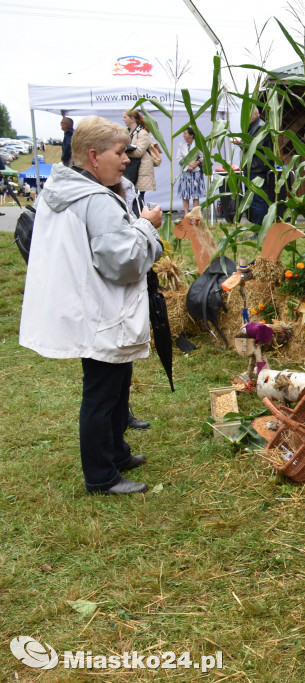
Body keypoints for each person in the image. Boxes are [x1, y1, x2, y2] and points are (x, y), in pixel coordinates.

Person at [19, 115, 164, 495]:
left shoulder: (67, 188)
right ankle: (101, 475)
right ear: (94, 156)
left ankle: (116, 452)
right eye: (120, 153)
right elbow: (123, 263)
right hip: (100, 311)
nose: (126, 161)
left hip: (92, 306)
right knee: (101, 392)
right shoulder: (96, 200)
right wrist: (148, 227)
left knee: (115, 385)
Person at [233, 108, 274, 225]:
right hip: (252, 167)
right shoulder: (253, 126)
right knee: (253, 199)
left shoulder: (260, 126)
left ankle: (261, 228)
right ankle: (258, 226)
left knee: (258, 200)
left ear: (255, 114)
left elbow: (256, 147)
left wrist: (240, 143)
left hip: (258, 168)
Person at [123, 109, 156, 202]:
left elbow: (139, 152)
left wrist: (124, 150)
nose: (123, 119)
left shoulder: (142, 133)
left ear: (132, 119)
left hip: (140, 171)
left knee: (139, 198)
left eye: (125, 117)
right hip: (130, 170)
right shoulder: (127, 132)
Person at [175, 127, 206, 214]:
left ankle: (195, 213)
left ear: (191, 135)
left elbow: (203, 156)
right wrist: (187, 165)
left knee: (195, 194)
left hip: (196, 171)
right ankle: (186, 213)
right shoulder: (181, 144)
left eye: (185, 133)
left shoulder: (198, 144)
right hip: (186, 171)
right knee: (185, 194)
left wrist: (195, 163)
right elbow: (178, 157)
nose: (184, 135)